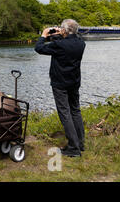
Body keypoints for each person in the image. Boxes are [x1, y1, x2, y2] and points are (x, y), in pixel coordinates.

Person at [35, 19, 86, 157]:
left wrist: (44, 35)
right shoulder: (81, 43)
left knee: (65, 113)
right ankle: (80, 144)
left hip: (60, 84)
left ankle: (73, 148)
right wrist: (61, 33)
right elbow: (71, 40)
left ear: (64, 30)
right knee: (75, 111)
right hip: (74, 82)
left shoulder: (59, 45)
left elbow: (39, 48)